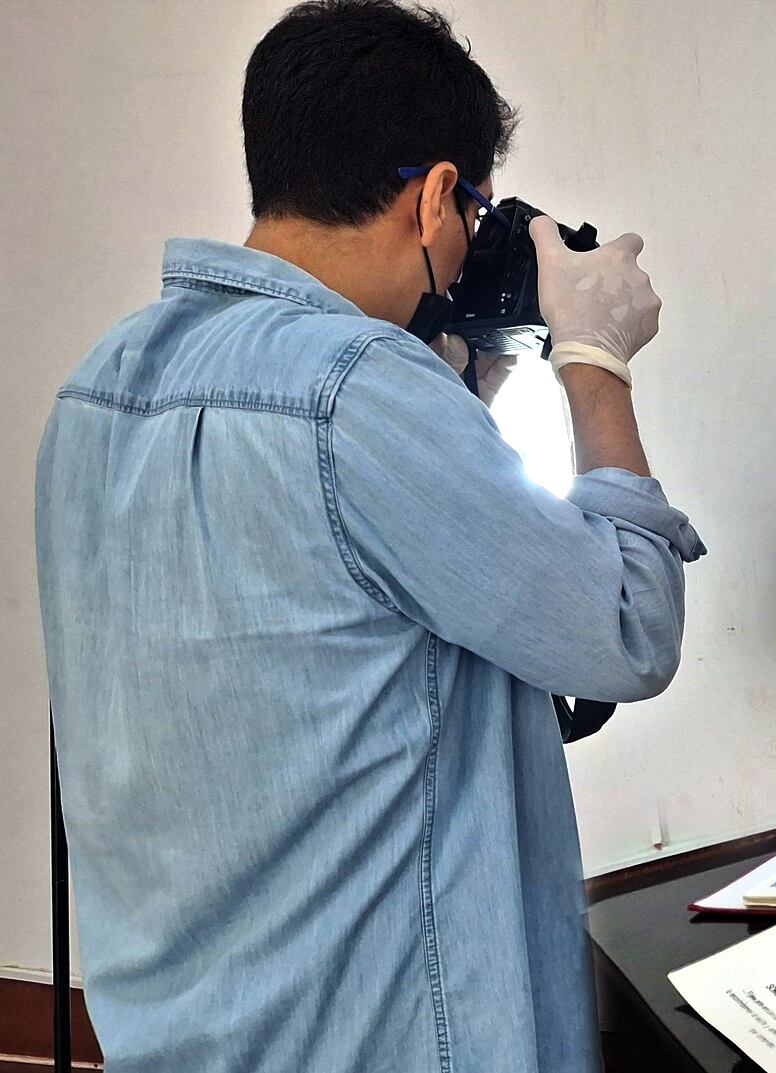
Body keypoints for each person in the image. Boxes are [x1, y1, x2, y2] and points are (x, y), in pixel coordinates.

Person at [33, 4, 704, 1071]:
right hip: (386, 1033)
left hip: (179, 1021)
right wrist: (595, 356)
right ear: (439, 193)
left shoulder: (103, 381)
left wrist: (463, 382)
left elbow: (348, 613)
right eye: (471, 208)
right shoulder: (355, 388)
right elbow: (625, 626)